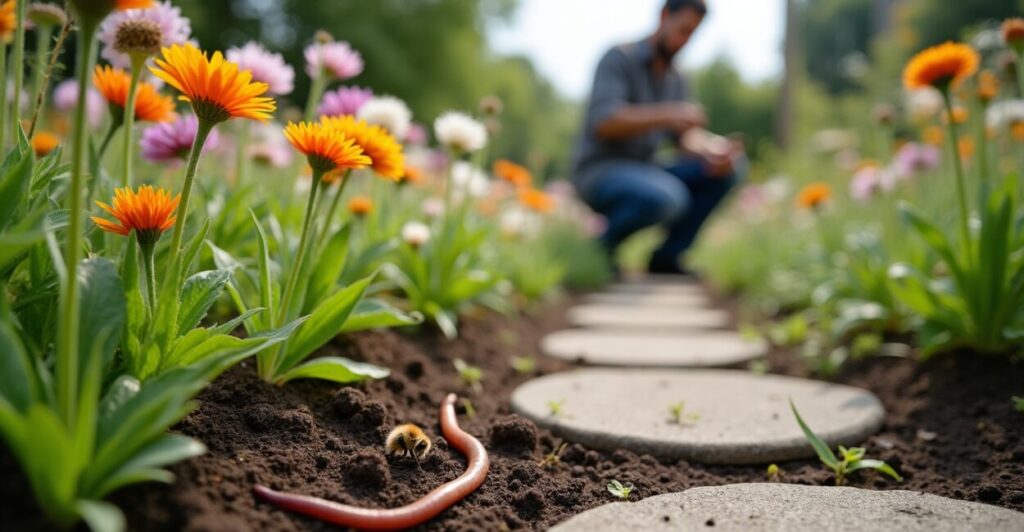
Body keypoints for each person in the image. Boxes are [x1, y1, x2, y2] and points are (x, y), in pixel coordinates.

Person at [572, 0, 746, 276]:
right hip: (601, 172)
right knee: (668, 197)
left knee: (730, 168)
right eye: (683, 30)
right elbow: (605, 121)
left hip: (648, 169)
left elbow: (685, 137)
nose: (685, 40)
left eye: (692, 34)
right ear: (665, 16)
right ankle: (596, 250)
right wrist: (667, 114)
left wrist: (714, 150)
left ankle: (667, 257)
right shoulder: (619, 58)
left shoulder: (677, 78)